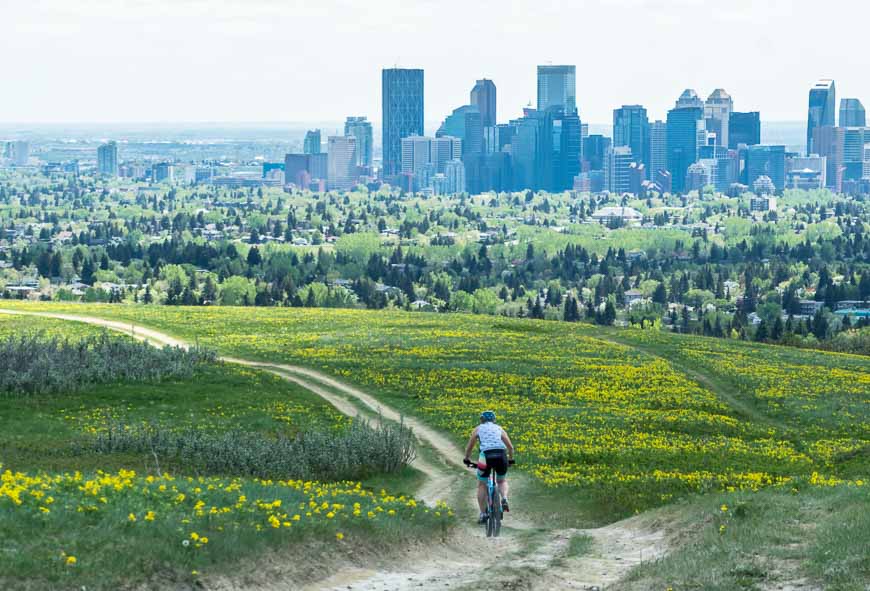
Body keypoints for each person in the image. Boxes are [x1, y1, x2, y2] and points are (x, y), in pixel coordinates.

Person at [463, 410, 514, 525]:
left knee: (482, 484)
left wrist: (467, 459)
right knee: (501, 480)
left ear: (481, 420)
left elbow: (470, 447)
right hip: (501, 455)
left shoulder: (478, 429)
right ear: (494, 420)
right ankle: (504, 498)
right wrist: (510, 460)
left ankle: (483, 514)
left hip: (485, 456)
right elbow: (510, 447)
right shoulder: (499, 428)